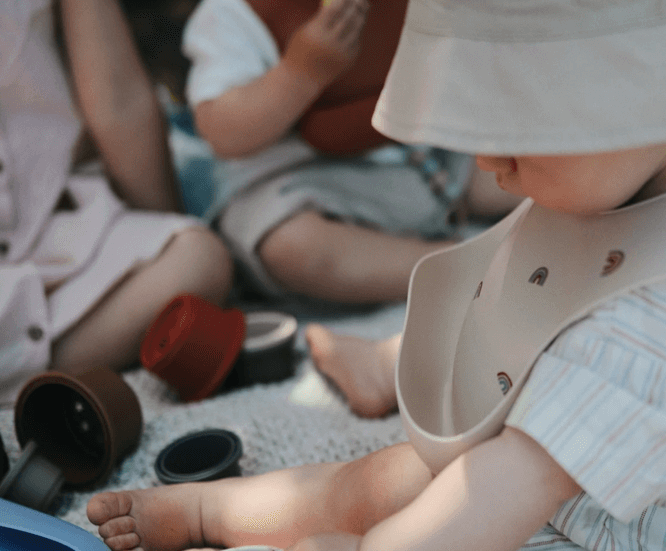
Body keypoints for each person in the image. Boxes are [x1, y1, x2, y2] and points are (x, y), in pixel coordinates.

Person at [89, 0, 666, 551]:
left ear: (650, 94)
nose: (487, 161)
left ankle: (206, 510)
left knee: (376, 490)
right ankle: (388, 359)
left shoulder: (664, 321)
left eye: (517, 134)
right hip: (636, 438)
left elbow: (506, 486)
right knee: (507, 288)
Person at [0, 0, 234, 409]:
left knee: (200, 258)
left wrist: (165, 231)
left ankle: (0, 374)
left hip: (57, 224)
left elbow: (116, 100)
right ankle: (22, 373)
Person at [181, 0, 518, 319]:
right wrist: (300, 71)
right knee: (291, 248)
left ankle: (545, 222)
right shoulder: (232, 16)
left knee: (521, 163)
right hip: (313, 188)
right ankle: (446, 266)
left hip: (428, 153)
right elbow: (221, 130)